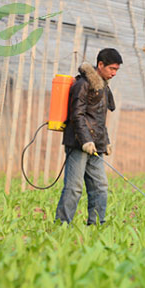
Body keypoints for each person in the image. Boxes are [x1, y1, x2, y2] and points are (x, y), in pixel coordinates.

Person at [55, 48, 123, 225]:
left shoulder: (103, 86)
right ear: (100, 65)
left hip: (96, 146)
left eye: (117, 70)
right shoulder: (83, 84)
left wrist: (105, 141)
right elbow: (77, 115)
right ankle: (62, 225)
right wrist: (85, 140)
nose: (114, 73)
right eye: (112, 69)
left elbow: (99, 119)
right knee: (74, 188)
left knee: (100, 187)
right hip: (79, 144)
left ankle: (96, 225)